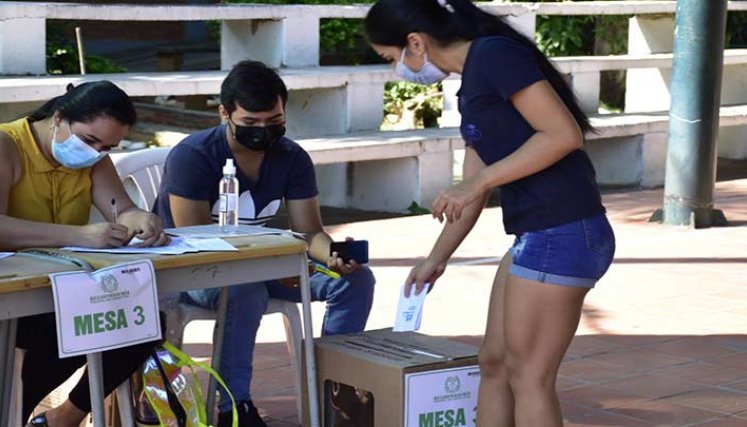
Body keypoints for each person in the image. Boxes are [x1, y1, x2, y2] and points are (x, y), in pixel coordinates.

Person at [364, 1, 616, 426]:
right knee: (494, 361)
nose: (398, 69)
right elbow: (473, 188)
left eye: (392, 58)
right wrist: (435, 258)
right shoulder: (472, 84)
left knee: (529, 375)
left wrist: (476, 183)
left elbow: (562, 135)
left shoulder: (494, 55)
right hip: (536, 234)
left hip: (563, 229)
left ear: (415, 42)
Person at [154, 60, 376, 427]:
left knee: (355, 281)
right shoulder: (194, 156)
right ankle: (232, 408)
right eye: (251, 123)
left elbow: (308, 233)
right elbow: (195, 241)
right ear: (225, 113)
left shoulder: (291, 157)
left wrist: (333, 255)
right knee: (245, 290)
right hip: (193, 270)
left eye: (273, 122)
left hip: (265, 263)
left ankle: (337, 394)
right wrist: (270, 262)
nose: (263, 132)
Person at [0, 81, 169, 427]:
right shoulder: (7, 145)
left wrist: (139, 219)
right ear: (59, 117)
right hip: (11, 293)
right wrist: (77, 235)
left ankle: (63, 418)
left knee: (142, 321)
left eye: (107, 147)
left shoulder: (94, 158)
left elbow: (121, 208)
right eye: (90, 141)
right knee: (54, 336)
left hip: (60, 288)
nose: (95, 152)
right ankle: (12, 412)